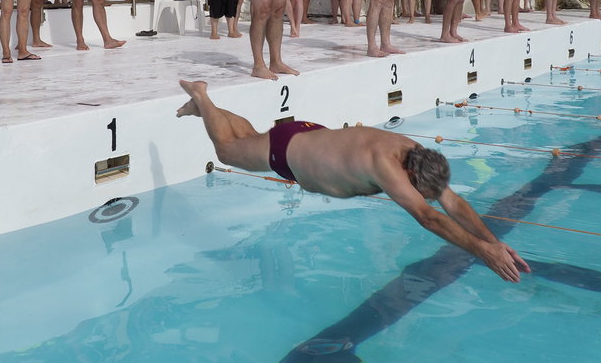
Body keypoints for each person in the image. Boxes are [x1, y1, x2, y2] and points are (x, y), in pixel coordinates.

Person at [176, 79, 531, 283]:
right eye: (416, 189)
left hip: (306, 137)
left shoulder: (415, 153)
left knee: (247, 137)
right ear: (409, 175)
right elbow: (429, 217)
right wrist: (482, 252)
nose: (416, 195)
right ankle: (203, 97)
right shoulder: (385, 165)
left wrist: (494, 241)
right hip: (289, 153)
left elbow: (452, 202)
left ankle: (205, 108)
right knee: (226, 150)